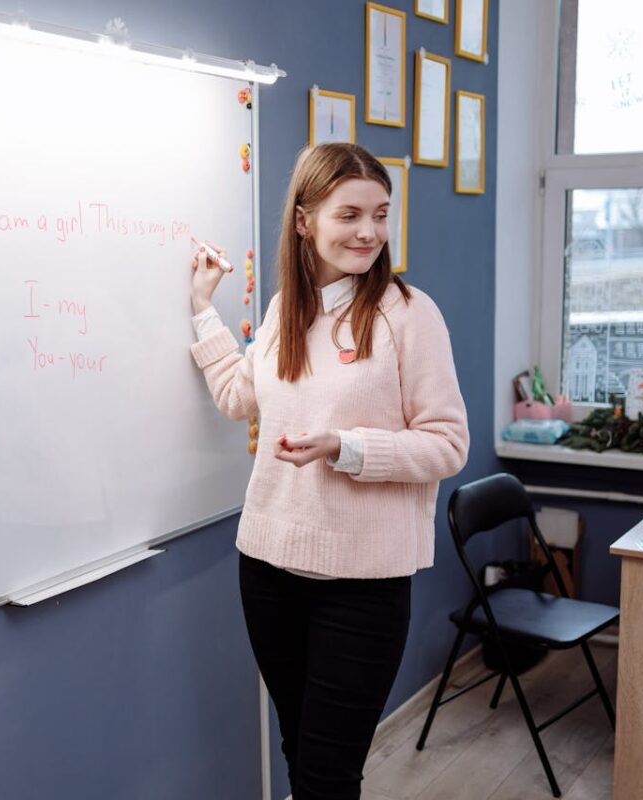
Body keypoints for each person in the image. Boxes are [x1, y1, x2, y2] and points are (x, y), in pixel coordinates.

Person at [187, 142, 469, 800]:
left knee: (327, 773)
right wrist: (204, 308)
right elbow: (239, 397)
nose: (369, 231)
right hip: (267, 566)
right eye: (349, 215)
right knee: (297, 746)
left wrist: (345, 446)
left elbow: (448, 443)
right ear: (305, 219)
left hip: (363, 585)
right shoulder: (289, 308)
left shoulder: (408, 314)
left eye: (380, 214)